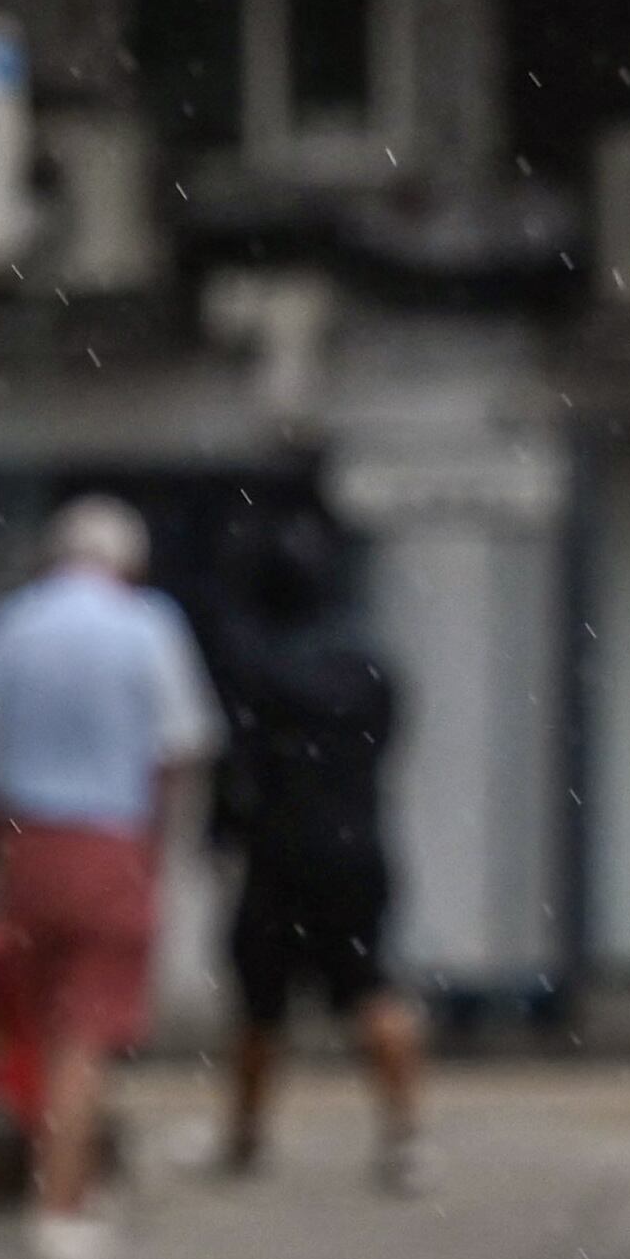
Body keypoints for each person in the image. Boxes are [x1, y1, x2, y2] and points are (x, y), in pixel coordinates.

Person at [0, 494, 224, 1259]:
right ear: (125, 563)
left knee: (34, 1025)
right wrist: (152, 840)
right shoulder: (148, 627)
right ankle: (60, 1206)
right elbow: (181, 744)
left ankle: (59, 1178)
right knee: (85, 1034)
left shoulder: (7, 627)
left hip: (24, 844)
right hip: (112, 838)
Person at [206, 510, 425, 1192]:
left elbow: (239, 764)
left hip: (279, 850)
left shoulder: (259, 664)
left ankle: (245, 1135)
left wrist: (223, 832)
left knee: (259, 1002)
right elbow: (389, 742)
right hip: (356, 845)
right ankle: (405, 1136)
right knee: (373, 987)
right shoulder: (368, 662)